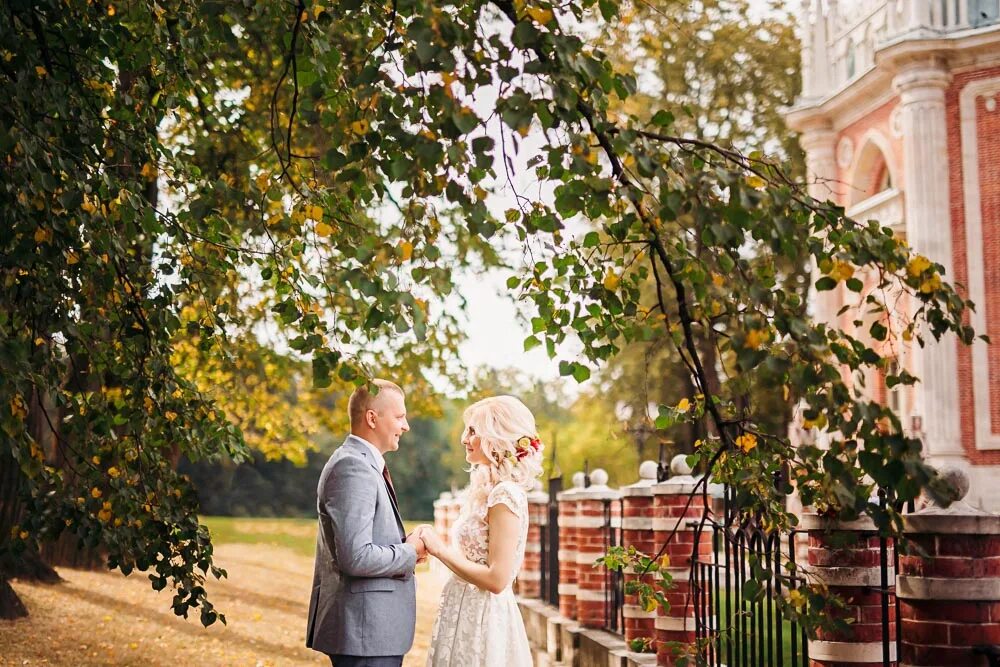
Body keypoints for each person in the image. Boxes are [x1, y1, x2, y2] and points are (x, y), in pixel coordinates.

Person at [306, 379, 428, 667]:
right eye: (400, 417)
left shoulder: (362, 463)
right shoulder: (353, 467)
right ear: (372, 418)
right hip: (364, 633)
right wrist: (410, 551)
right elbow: (356, 557)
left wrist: (403, 545)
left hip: (370, 632)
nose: (406, 426)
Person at [415, 395, 543, 667]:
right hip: (461, 609)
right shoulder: (486, 491)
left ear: (496, 436)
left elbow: (497, 580)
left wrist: (439, 550)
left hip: (484, 617)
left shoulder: (505, 495)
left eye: (473, 431)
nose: (464, 438)